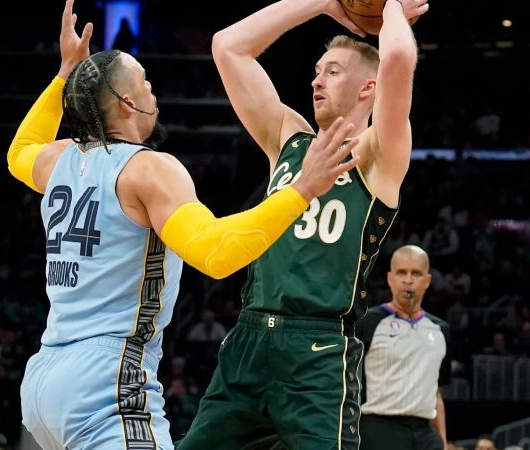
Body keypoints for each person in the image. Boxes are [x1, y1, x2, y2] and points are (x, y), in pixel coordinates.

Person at [9, 1, 360, 449]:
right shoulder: (149, 170)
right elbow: (215, 254)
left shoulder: (56, 160)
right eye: (145, 81)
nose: (154, 88)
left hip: (44, 378)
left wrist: (65, 74)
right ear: (128, 102)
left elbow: (19, 149)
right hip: (105, 380)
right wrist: (301, 190)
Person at [177, 0, 429, 448]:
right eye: (316, 70)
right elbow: (228, 47)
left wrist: (389, 7)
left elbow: (395, 59)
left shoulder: (377, 155)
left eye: (332, 70)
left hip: (318, 353)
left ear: (368, 87)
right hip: (249, 340)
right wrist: (324, 3)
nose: (316, 79)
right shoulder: (287, 140)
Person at [355, 245, 450, 450]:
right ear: (390, 279)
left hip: (425, 434)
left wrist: (442, 441)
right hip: (379, 430)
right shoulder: (367, 322)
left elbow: (436, 393)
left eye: (416, 273)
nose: (408, 280)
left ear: (427, 281)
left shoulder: (441, 330)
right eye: (401, 273)